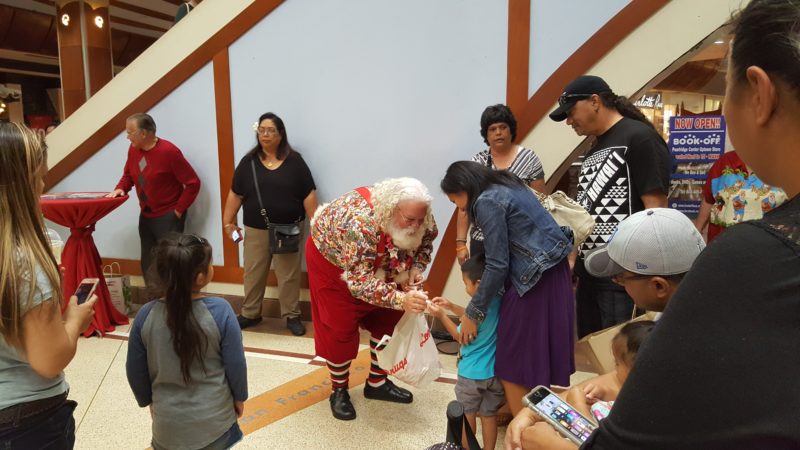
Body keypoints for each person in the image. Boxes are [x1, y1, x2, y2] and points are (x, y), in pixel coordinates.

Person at [531, 1, 800, 447]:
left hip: (632, 270)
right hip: (606, 265)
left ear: (759, 93)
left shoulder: (754, 259)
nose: (571, 123)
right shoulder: (597, 145)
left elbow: (655, 208)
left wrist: (548, 430)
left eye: (728, 85)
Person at [507, 207, 704, 450]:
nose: (617, 283)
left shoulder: (695, 354)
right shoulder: (676, 317)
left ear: (659, 286)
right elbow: (626, 375)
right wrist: (549, 406)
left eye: (621, 278)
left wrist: (554, 445)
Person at [441, 161, 574, 416]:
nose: (459, 208)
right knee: (534, 356)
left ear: (464, 188)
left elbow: (497, 264)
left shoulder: (487, 200)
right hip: (550, 273)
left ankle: (523, 429)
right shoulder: (507, 183)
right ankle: (525, 414)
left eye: (455, 199)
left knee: (511, 361)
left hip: (534, 281)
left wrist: (472, 314)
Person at [549, 75, 672, 338]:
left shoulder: (639, 138)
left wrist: (642, 271)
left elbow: (657, 209)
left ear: (595, 101)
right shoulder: (593, 149)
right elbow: (584, 211)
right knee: (594, 347)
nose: (569, 121)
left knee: (621, 351)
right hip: (590, 272)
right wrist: (572, 259)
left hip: (624, 274)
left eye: (571, 113)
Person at [0, 121, 97, 449]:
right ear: (19, 185)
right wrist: (73, 319)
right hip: (25, 422)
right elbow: (49, 359)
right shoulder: (24, 267)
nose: (43, 186)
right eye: (39, 177)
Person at [307, 177, 436, 420]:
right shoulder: (360, 225)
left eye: (420, 219)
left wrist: (415, 268)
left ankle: (377, 383)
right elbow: (358, 283)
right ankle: (339, 390)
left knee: (390, 320)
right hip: (334, 264)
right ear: (391, 210)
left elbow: (424, 246)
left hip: (383, 258)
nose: (416, 225)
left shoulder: (423, 220)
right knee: (339, 326)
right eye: (409, 220)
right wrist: (400, 299)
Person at [126, 234, 247, 450]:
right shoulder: (221, 310)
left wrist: (149, 402)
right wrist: (240, 397)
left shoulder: (146, 315)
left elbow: (135, 370)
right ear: (200, 277)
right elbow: (235, 364)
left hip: (167, 427)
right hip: (215, 423)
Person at [223, 112, 317, 335]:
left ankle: (292, 315)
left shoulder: (295, 161)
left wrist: (318, 225)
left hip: (288, 228)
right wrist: (228, 222)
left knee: (288, 273)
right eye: (261, 130)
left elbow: (309, 194)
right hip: (256, 229)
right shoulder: (248, 162)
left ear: (281, 134)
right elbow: (235, 194)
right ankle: (250, 313)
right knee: (254, 271)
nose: (265, 134)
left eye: (270, 130)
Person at [505, 321, 656, 450]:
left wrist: (577, 406)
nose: (614, 370)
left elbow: (595, 440)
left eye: (617, 364)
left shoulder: (643, 415)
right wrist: (528, 415)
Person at [108, 113, 200, 287]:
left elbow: (193, 183)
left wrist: (179, 210)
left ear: (144, 133)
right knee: (148, 264)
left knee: (170, 265)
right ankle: (153, 305)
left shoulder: (169, 152)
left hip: (168, 217)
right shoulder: (133, 150)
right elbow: (128, 174)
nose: (127, 137)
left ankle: (174, 306)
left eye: (130, 132)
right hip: (146, 216)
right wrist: (120, 188)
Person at [428, 254, 505, 450]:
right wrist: (452, 306)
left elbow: (460, 336)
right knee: (489, 416)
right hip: (495, 373)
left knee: (467, 413)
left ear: (478, 284)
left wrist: (442, 315)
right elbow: (476, 318)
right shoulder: (498, 299)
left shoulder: (475, 306)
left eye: (466, 283)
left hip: (471, 374)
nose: (465, 288)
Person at [456, 104, 547, 263]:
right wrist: (460, 245)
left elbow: (542, 203)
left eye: (503, 127)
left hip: (521, 242)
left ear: (511, 129)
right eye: (492, 129)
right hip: (483, 241)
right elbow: (464, 208)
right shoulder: (477, 163)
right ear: (486, 134)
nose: (498, 133)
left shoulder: (529, 158)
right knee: (483, 287)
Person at [694, 150, 787, 242]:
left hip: (769, 245)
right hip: (722, 244)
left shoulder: (787, 164)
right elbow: (709, 199)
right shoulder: (725, 161)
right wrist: (696, 232)